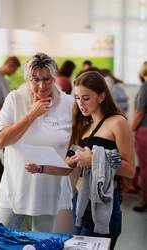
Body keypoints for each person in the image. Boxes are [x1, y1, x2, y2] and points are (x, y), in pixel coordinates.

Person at [27, 71, 135, 249]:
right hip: (80, 203)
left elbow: (130, 169)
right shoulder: (84, 126)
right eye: (77, 98)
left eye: (86, 98)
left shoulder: (117, 122)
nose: (80, 104)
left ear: (101, 96)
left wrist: (95, 159)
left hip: (104, 204)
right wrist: (40, 168)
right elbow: (68, 167)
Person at [0, 53, 74, 233]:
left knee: (41, 243)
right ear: (27, 79)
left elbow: (77, 142)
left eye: (47, 79)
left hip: (50, 189)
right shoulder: (15, 99)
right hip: (16, 187)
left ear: (54, 78)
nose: (41, 85)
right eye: (35, 79)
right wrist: (31, 116)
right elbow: (1, 141)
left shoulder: (68, 103)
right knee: (0, 239)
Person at [132, 61, 147, 212]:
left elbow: (140, 112)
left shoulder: (144, 88)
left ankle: (145, 200)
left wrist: (131, 129)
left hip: (145, 131)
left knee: (145, 167)